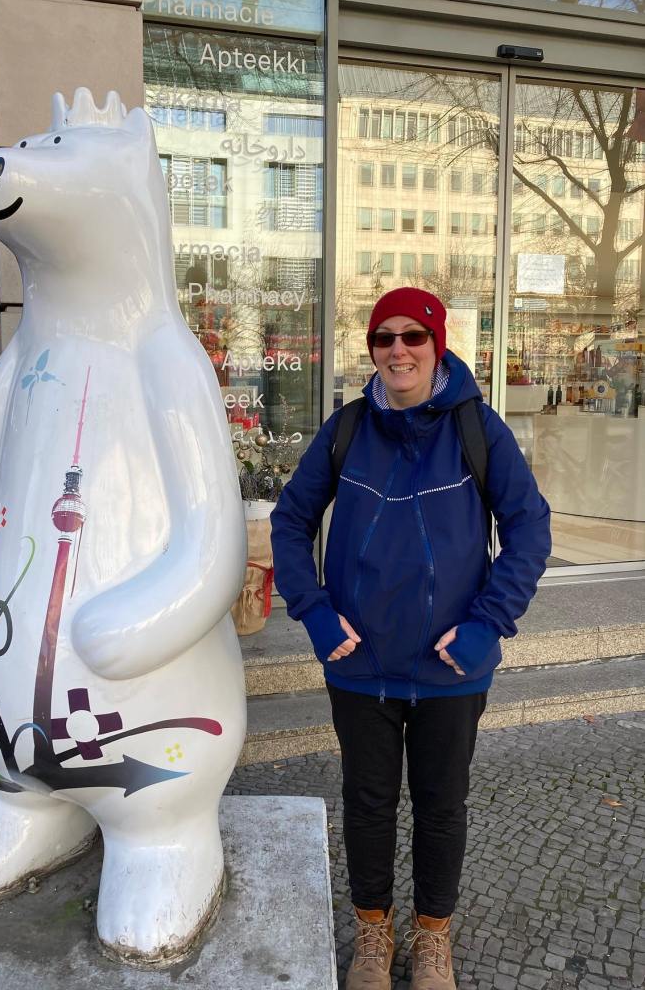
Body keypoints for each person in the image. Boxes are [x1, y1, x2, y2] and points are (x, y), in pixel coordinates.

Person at [271, 287, 551, 990]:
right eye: (383, 337)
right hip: (358, 662)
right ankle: (373, 929)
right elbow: (289, 520)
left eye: (413, 336)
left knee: (440, 807)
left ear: (437, 345)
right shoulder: (346, 428)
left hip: (451, 666)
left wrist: (488, 623)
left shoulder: (477, 428)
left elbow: (529, 528)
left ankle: (432, 936)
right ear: (372, 349)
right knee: (367, 805)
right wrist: (313, 611)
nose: (398, 350)